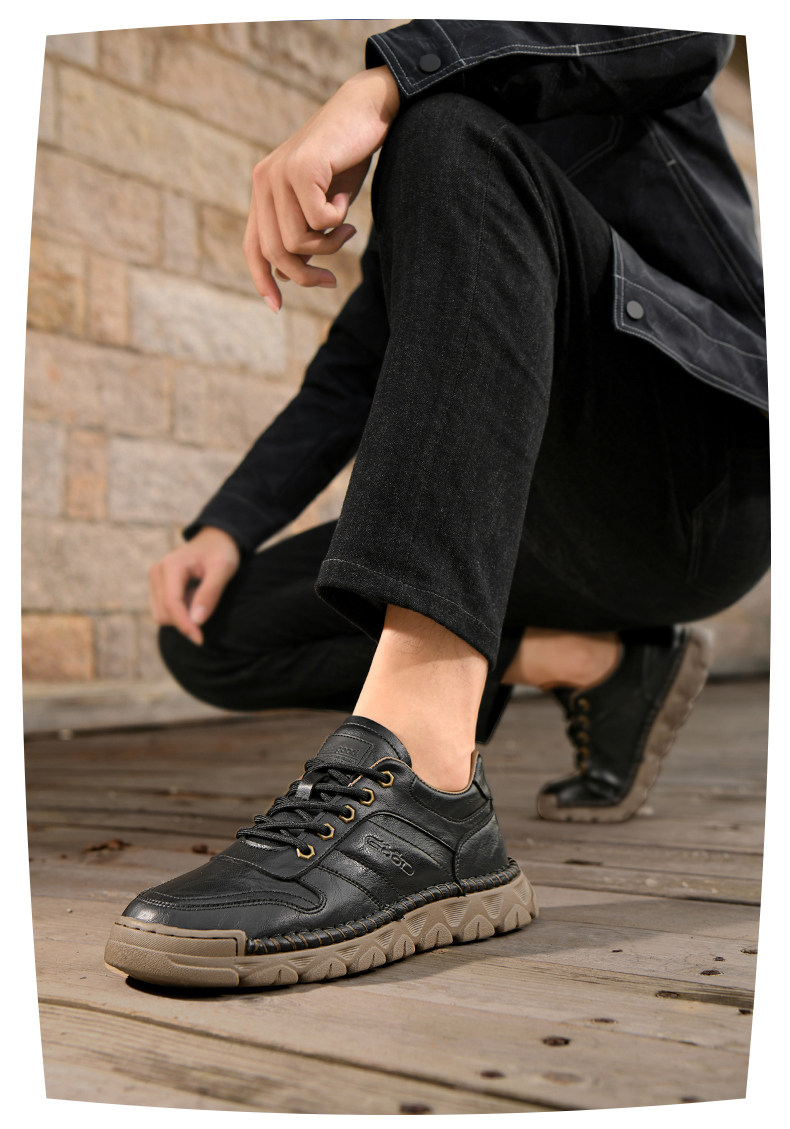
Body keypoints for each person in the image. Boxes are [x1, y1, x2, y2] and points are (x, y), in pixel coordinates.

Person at [104, 21, 768, 989]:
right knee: (209, 629)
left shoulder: (476, 108)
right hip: (518, 524)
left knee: (446, 130)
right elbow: (352, 372)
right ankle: (598, 663)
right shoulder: (446, 164)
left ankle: (424, 774)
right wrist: (225, 525)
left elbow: (694, 34)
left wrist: (385, 84)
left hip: (694, 489)